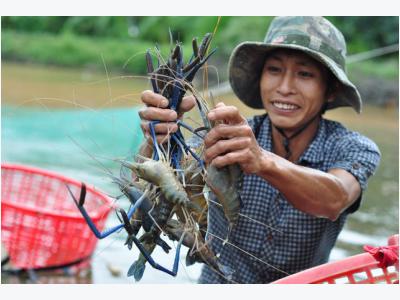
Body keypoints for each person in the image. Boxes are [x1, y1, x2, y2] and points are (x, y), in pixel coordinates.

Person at [137, 16, 381, 283]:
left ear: (331, 90)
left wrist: (261, 159)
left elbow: (335, 199)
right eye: (274, 70)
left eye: (305, 74)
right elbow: (154, 187)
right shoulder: (224, 135)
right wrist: (159, 141)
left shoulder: (354, 147)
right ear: (261, 78)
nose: (285, 88)